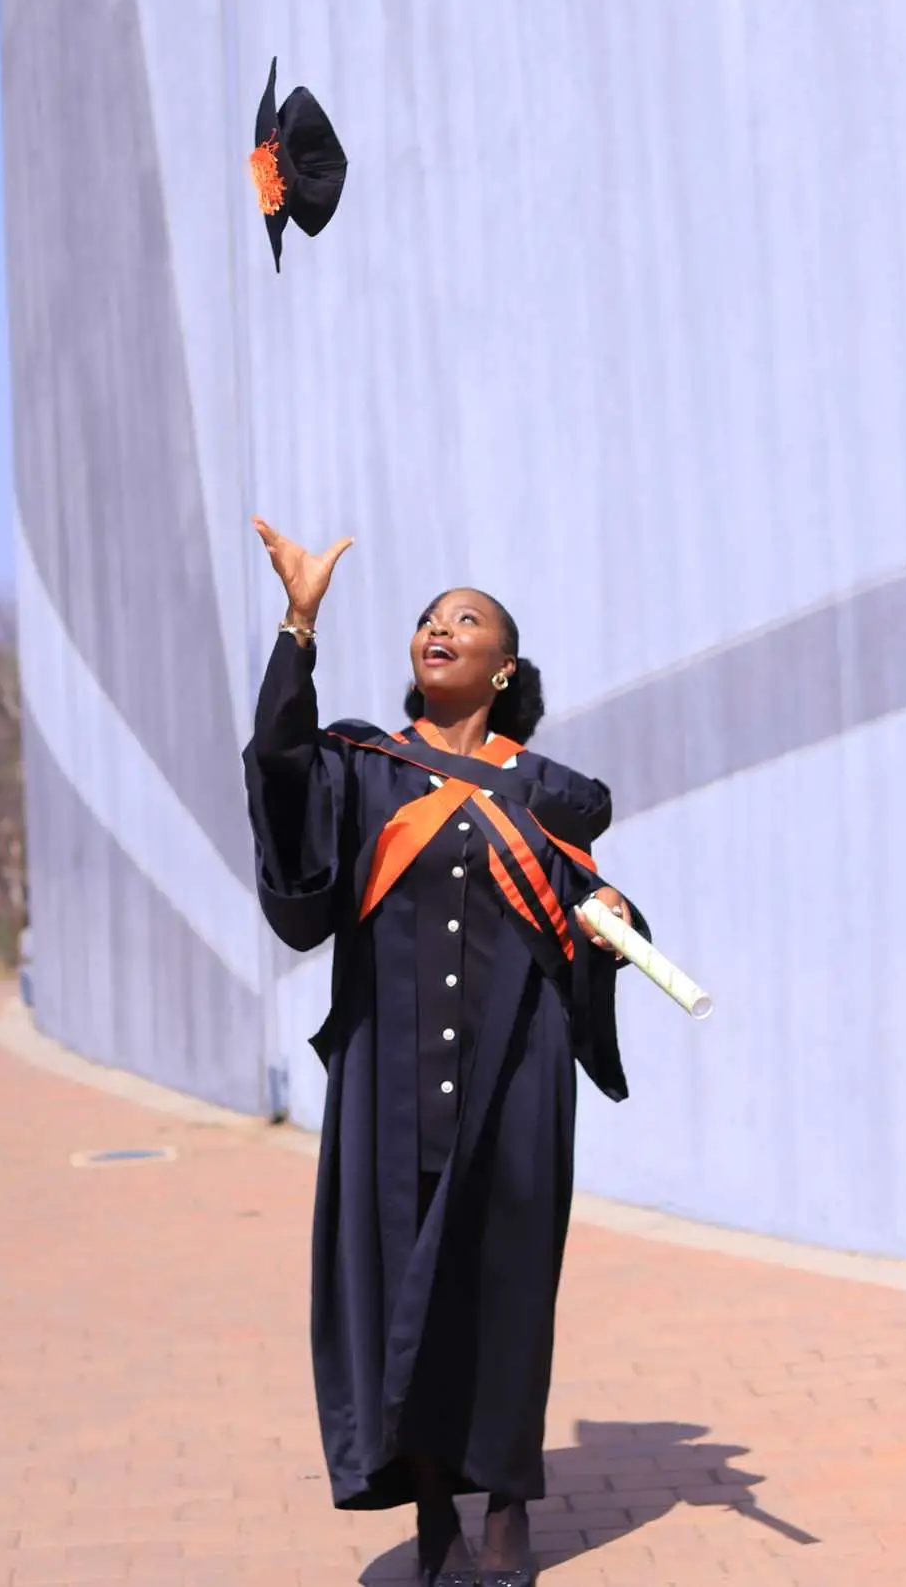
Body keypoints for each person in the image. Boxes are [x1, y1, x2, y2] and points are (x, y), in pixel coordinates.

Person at [243, 519, 651, 1587]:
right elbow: (279, 764)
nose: (439, 629)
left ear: (501, 666)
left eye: (464, 621)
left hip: (517, 1077)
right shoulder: (366, 768)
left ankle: (508, 1510)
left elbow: (586, 906)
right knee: (397, 1294)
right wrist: (299, 623)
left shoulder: (546, 794)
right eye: (430, 618)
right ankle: (435, 1521)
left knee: (508, 1285)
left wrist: (611, 910)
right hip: (390, 1076)